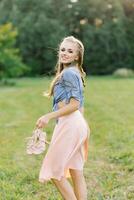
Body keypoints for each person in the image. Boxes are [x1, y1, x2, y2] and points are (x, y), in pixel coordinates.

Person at [36, 36, 90, 200]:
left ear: (77, 56)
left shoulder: (69, 74)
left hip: (71, 124)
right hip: (76, 123)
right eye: (63, 49)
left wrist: (48, 116)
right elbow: (80, 106)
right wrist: (83, 126)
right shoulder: (74, 73)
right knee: (76, 171)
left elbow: (75, 104)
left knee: (54, 170)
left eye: (70, 51)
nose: (65, 53)